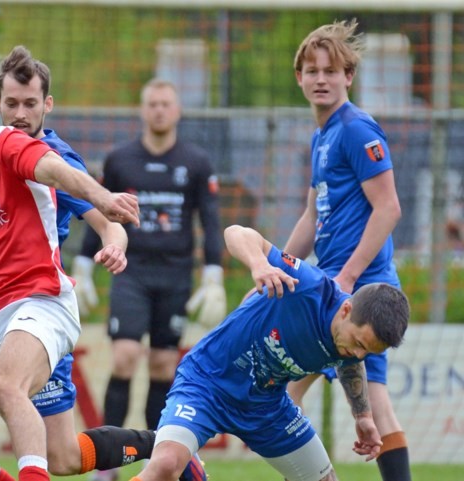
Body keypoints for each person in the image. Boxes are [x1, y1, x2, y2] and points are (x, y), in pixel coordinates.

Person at [0, 49, 204, 481]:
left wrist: (107, 207)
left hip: (41, 303)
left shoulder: (17, 146)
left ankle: (166, 446)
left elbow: (61, 175)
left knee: (6, 387)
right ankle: (166, 448)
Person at [128, 224, 410, 481]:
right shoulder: (308, 286)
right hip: (207, 384)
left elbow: (349, 362)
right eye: (359, 344)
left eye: (367, 352)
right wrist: (259, 264)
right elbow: (236, 232)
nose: (359, 354)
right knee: (165, 465)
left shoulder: (351, 339)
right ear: (346, 309)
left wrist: (362, 415)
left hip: (267, 406)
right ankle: (190, 467)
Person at [72, 78, 224, 481]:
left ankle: (160, 460)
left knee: (161, 366)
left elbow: (209, 221)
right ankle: (105, 467)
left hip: (175, 276)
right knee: (123, 357)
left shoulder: (196, 162)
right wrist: (83, 267)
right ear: (143, 110)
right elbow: (99, 213)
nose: (159, 110)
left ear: (176, 111)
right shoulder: (121, 160)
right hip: (130, 272)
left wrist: (214, 276)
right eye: (152, 103)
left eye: (165, 104)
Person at [284, 20, 411, 481]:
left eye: (331, 71)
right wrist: (275, 269)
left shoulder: (357, 129)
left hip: (360, 289)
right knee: (283, 392)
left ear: (348, 77)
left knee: (370, 407)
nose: (321, 78)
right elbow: (310, 218)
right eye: (312, 70)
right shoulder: (321, 136)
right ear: (298, 76)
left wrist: (349, 277)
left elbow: (389, 208)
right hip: (332, 286)